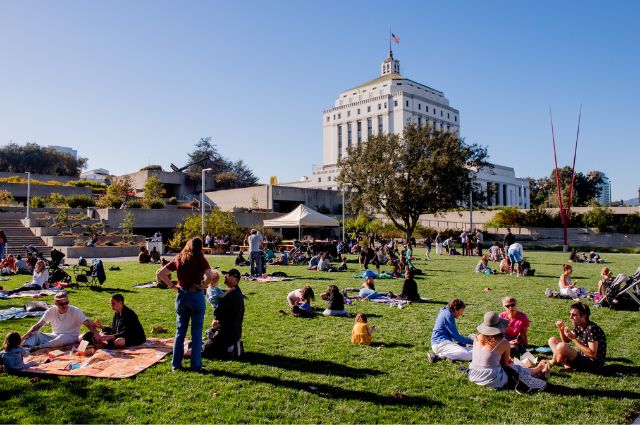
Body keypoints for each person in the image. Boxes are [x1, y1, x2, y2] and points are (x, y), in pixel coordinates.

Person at [156, 237, 217, 372]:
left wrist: (172, 286)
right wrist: (202, 286)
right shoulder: (200, 259)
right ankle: (196, 365)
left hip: (182, 296)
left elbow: (161, 273)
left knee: (180, 332)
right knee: (196, 333)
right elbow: (210, 275)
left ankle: (176, 364)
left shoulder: (180, 257)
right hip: (195, 296)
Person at [468, 312, 548, 391]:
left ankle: (535, 370)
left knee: (513, 365)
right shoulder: (503, 343)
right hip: (491, 379)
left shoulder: (476, 337)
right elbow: (505, 365)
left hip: (474, 373)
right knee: (514, 367)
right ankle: (535, 371)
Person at [22, 292, 101, 349]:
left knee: (62, 338)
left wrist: (96, 334)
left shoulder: (75, 311)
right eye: (61, 304)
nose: (65, 305)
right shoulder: (51, 311)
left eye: (66, 303)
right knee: (36, 335)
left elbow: (88, 324)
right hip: (55, 335)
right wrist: (22, 338)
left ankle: (39, 347)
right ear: (56, 303)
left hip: (71, 337)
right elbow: (38, 325)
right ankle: (25, 348)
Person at [548, 302, 606, 372]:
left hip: (593, 365)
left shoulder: (592, 329)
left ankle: (553, 362)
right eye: (570, 314)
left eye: (574, 315)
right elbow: (567, 340)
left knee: (561, 346)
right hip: (583, 358)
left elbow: (592, 354)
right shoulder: (580, 325)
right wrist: (561, 329)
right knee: (553, 340)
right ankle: (565, 363)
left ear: (584, 316)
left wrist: (573, 339)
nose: (570, 317)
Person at [202, 268, 245, 358]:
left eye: (228, 275)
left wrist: (215, 321)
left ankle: (231, 348)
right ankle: (232, 345)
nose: (225, 276)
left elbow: (218, 319)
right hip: (234, 331)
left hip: (227, 333)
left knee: (204, 350)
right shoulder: (236, 291)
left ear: (234, 279)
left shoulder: (230, 295)